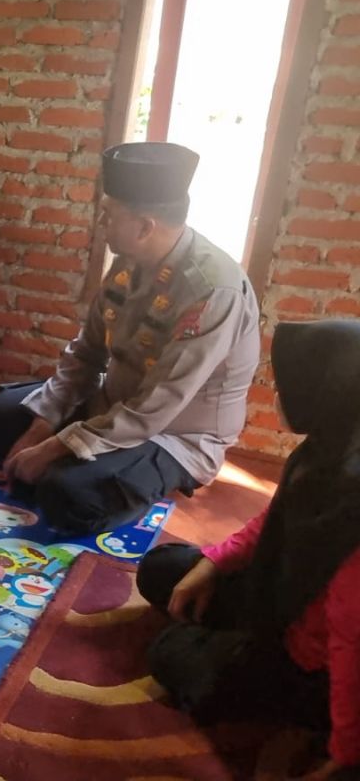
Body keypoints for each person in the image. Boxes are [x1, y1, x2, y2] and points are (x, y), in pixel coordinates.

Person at [0, 142, 260, 536]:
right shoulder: (128, 261)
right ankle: (80, 461)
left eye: (108, 214)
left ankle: (131, 479)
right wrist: (41, 428)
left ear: (145, 226)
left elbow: (157, 405)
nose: (99, 223)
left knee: (67, 496)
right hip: (110, 405)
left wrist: (53, 448)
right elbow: (84, 355)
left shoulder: (212, 291)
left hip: (175, 433)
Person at [136, 320, 360, 781]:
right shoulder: (328, 449)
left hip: (317, 661)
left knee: (172, 654)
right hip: (286, 596)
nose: (276, 395)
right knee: (164, 568)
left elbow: (347, 635)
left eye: (288, 386)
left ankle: (304, 716)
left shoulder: (352, 498)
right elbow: (276, 518)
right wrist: (215, 564)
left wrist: (343, 752)